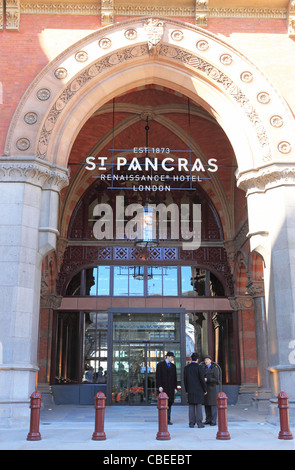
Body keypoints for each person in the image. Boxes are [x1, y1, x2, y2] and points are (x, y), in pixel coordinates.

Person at [183, 352, 207, 428]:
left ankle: (191, 423)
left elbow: (185, 380)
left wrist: (187, 390)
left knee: (191, 406)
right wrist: (205, 389)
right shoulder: (199, 368)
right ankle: (199, 423)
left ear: (191, 358)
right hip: (199, 389)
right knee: (198, 406)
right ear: (197, 359)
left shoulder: (186, 368)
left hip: (190, 389)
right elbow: (202, 380)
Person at [156, 351, 177, 425]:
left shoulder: (173, 366)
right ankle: (163, 419)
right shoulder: (160, 365)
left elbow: (175, 378)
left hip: (171, 388)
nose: (172, 358)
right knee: (163, 404)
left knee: (170, 403)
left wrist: (175, 387)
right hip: (163, 387)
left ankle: (168, 419)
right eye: (171, 357)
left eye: (173, 357)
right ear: (167, 357)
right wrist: (159, 386)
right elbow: (158, 377)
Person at [202, 355, 219, 426]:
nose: (206, 361)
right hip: (205, 389)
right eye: (205, 360)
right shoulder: (203, 368)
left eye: (207, 360)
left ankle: (213, 420)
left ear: (210, 361)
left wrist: (207, 379)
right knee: (206, 405)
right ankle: (208, 419)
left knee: (212, 405)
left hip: (212, 389)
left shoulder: (214, 368)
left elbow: (216, 379)